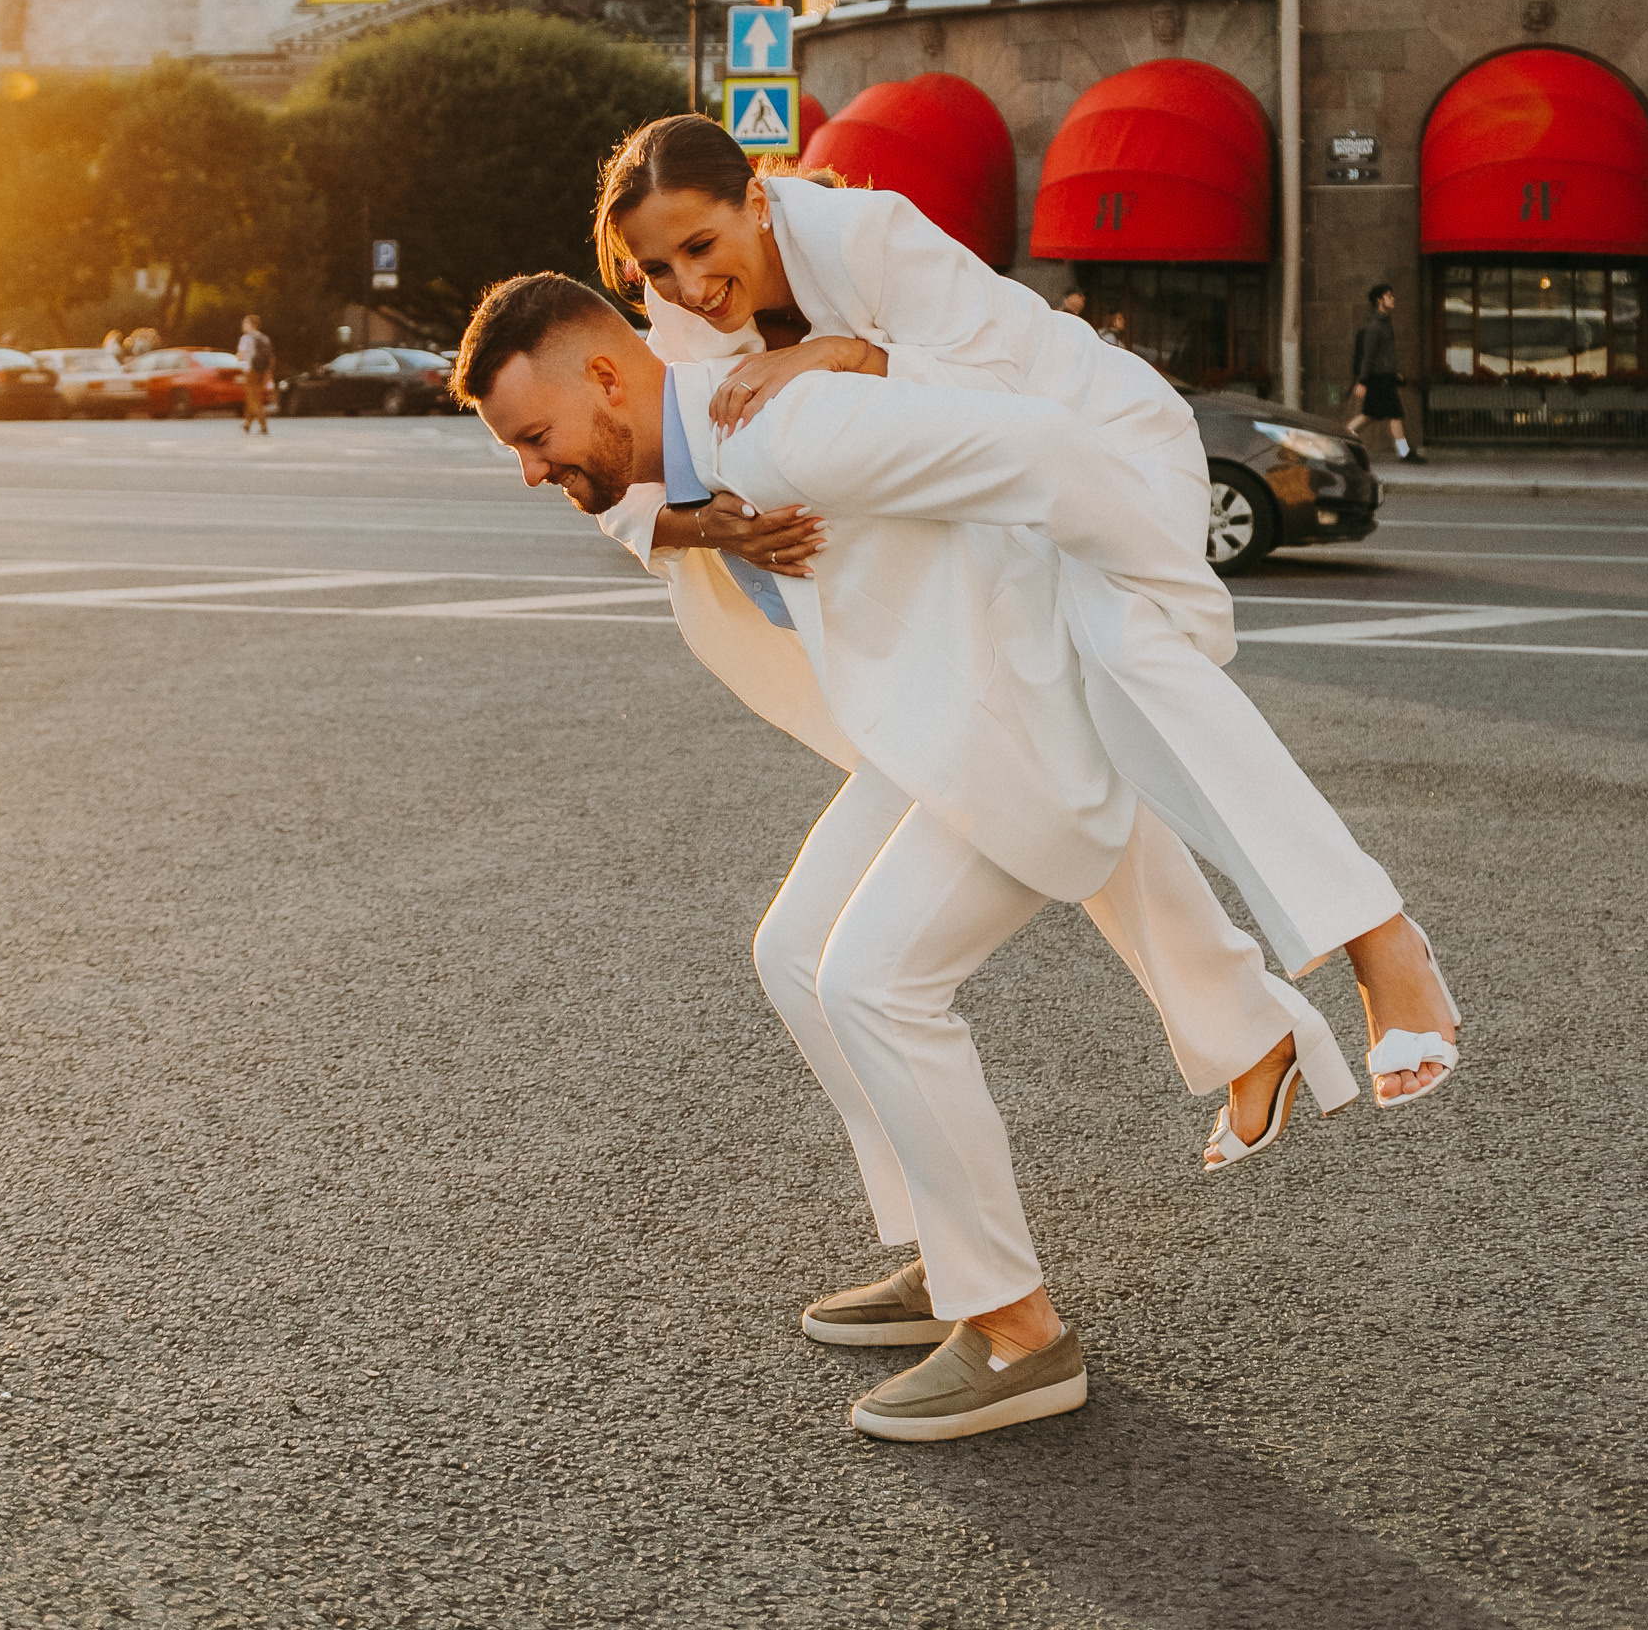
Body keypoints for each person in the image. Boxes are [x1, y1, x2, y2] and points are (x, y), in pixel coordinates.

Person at [458, 273, 1458, 1444]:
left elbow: (1046, 449)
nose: (529, 470)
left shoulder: (788, 423)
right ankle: (956, 1256)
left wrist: (1163, 621)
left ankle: (1015, 1332)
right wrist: (703, 524)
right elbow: (633, 509)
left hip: (1015, 722)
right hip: (928, 723)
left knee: (872, 983)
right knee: (794, 955)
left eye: (534, 438)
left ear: (608, 378)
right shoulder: (671, 452)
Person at [594, 120, 1457, 1158]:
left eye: (700, 246)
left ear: (756, 201)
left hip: (1105, 444)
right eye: (657, 268)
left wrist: (849, 355)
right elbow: (618, 469)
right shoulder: (678, 313)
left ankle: (1377, 939)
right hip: (984, 522)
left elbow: (1013, 396)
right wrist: (703, 526)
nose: (686, 286)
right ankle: (1249, 1033)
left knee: (1125, 655)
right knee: (1050, 763)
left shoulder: (867, 234)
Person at [1349, 282, 1424, 464]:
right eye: (1389, 296)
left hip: (1384, 376)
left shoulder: (1383, 322)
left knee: (1370, 415)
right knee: (1391, 414)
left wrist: (1394, 373)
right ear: (1379, 300)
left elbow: (1384, 355)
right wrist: (1362, 381)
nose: (1393, 299)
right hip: (1378, 378)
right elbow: (1368, 356)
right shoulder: (1375, 326)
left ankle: (1339, 441)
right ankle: (1404, 453)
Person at [236, 313, 275, 436]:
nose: (243, 325)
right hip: (261, 370)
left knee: (253, 399)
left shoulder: (246, 338)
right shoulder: (264, 338)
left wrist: (238, 361)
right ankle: (247, 424)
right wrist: (268, 372)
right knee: (253, 397)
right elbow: (270, 357)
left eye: (245, 323)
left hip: (250, 370)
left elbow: (241, 354)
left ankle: (263, 425)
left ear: (251, 325)